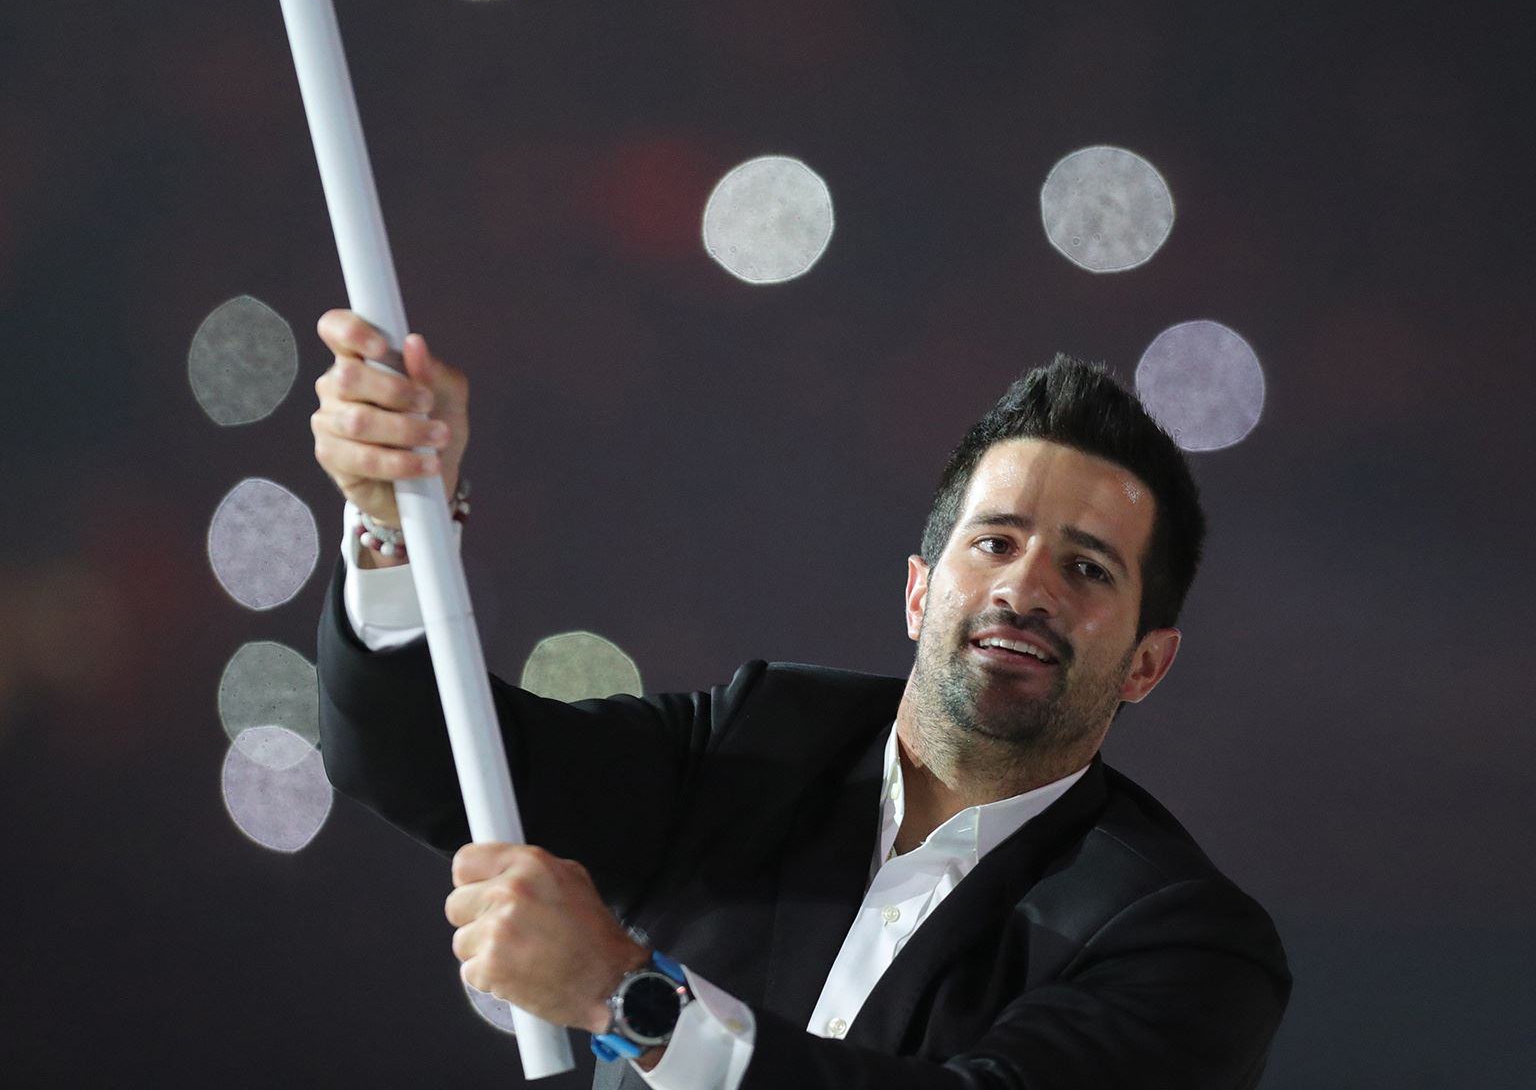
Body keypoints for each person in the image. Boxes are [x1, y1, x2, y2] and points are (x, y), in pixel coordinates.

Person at [309, 310, 1291, 1089]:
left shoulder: (1184, 942)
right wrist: (396, 525)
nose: (1024, 589)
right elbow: (413, 753)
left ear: (1146, 665)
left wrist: (630, 995)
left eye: (1085, 567)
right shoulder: (759, 743)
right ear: (918, 590)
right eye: (994, 542)